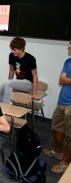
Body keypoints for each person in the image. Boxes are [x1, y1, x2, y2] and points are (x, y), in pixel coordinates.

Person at [43, 40, 71, 173]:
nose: (68, 46)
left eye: (70, 44)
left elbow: (66, 79)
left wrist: (68, 80)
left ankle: (65, 162)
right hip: (62, 101)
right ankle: (58, 150)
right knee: (56, 127)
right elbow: (62, 80)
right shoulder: (68, 62)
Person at [0, 37, 38, 103]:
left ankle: (5, 109)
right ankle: (1, 109)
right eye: (12, 49)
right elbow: (11, 71)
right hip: (18, 83)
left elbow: (35, 76)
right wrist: (8, 83)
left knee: (8, 83)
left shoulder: (30, 59)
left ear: (22, 48)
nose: (12, 51)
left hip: (28, 84)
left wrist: (35, 93)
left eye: (14, 50)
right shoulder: (11, 56)